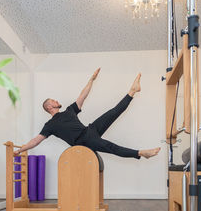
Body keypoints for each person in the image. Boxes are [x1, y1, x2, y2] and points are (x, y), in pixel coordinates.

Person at [14, 68, 160, 159]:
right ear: (49, 106)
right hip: (83, 142)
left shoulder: (70, 110)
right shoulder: (50, 125)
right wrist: (20, 150)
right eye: (54, 100)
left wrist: (91, 79)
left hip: (90, 130)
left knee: (113, 112)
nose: (57, 100)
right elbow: (36, 141)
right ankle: (141, 153)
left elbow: (82, 96)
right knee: (111, 147)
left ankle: (132, 91)